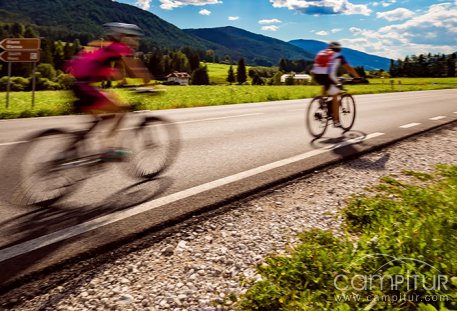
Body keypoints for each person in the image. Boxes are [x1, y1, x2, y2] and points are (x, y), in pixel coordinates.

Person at [67, 22, 152, 160]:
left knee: (107, 115)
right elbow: (136, 68)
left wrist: (124, 82)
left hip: (80, 85)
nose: (136, 41)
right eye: (133, 37)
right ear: (123, 37)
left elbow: (117, 74)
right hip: (85, 87)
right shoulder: (119, 48)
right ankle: (108, 149)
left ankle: (75, 145)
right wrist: (149, 83)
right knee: (121, 110)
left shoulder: (108, 49)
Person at [311, 42, 361, 127]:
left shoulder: (322, 52)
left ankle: (322, 101)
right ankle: (336, 120)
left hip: (316, 75)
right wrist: (357, 77)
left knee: (325, 84)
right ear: (339, 49)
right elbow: (348, 68)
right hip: (328, 76)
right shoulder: (338, 56)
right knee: (335, 95)